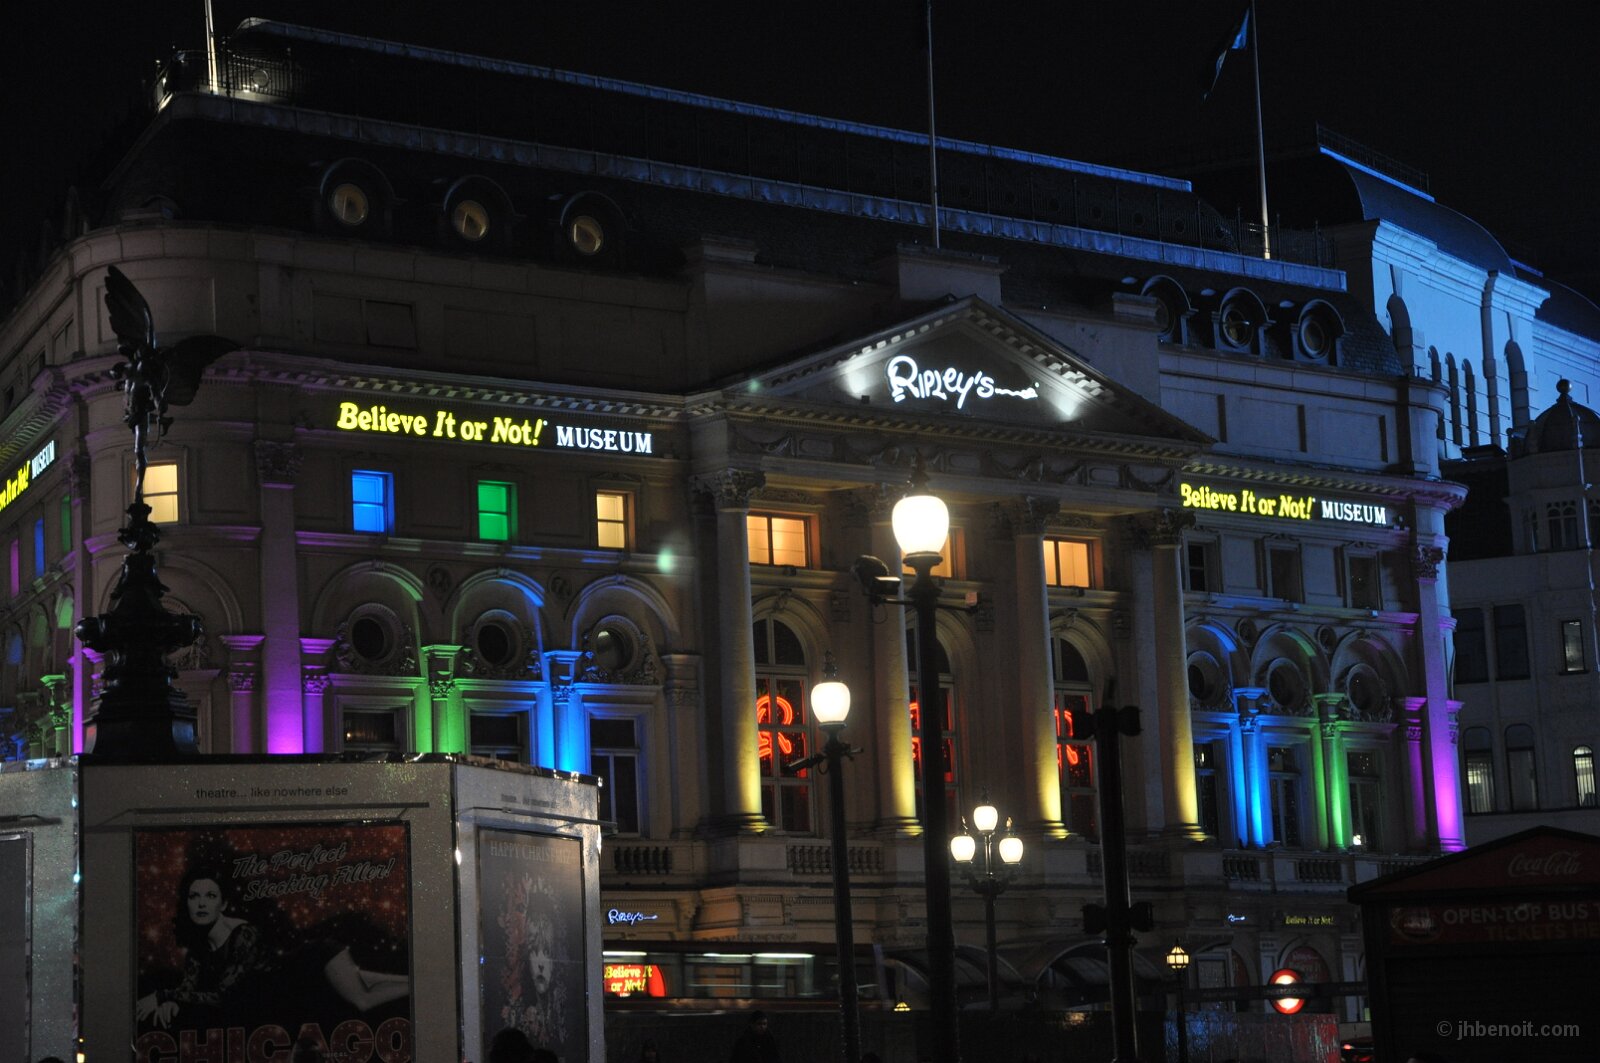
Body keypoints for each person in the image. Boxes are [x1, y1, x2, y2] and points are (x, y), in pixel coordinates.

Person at [136, 868, 268, 1030]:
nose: (201, 904)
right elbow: (187, 989)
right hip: (232, 1023)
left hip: (268, 1019)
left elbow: (223, 998)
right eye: (194, 896)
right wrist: (172, 1003)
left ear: (223, 904)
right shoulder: (197, 947)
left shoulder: (245, 935)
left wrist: (162, 996)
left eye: (210, 896)